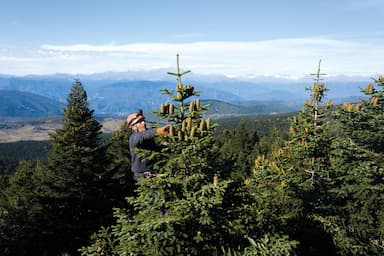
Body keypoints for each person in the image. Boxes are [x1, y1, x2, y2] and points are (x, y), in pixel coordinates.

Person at [127, 109, 170, 180]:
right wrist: (159, 131)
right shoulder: (134, 138)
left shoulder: (148, 134)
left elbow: (150, 134)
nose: (143, 123)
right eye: (140, 122)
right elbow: (144, 136)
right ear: (134, 126)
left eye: (143, 120)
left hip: (153, 174)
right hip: (142, 177)